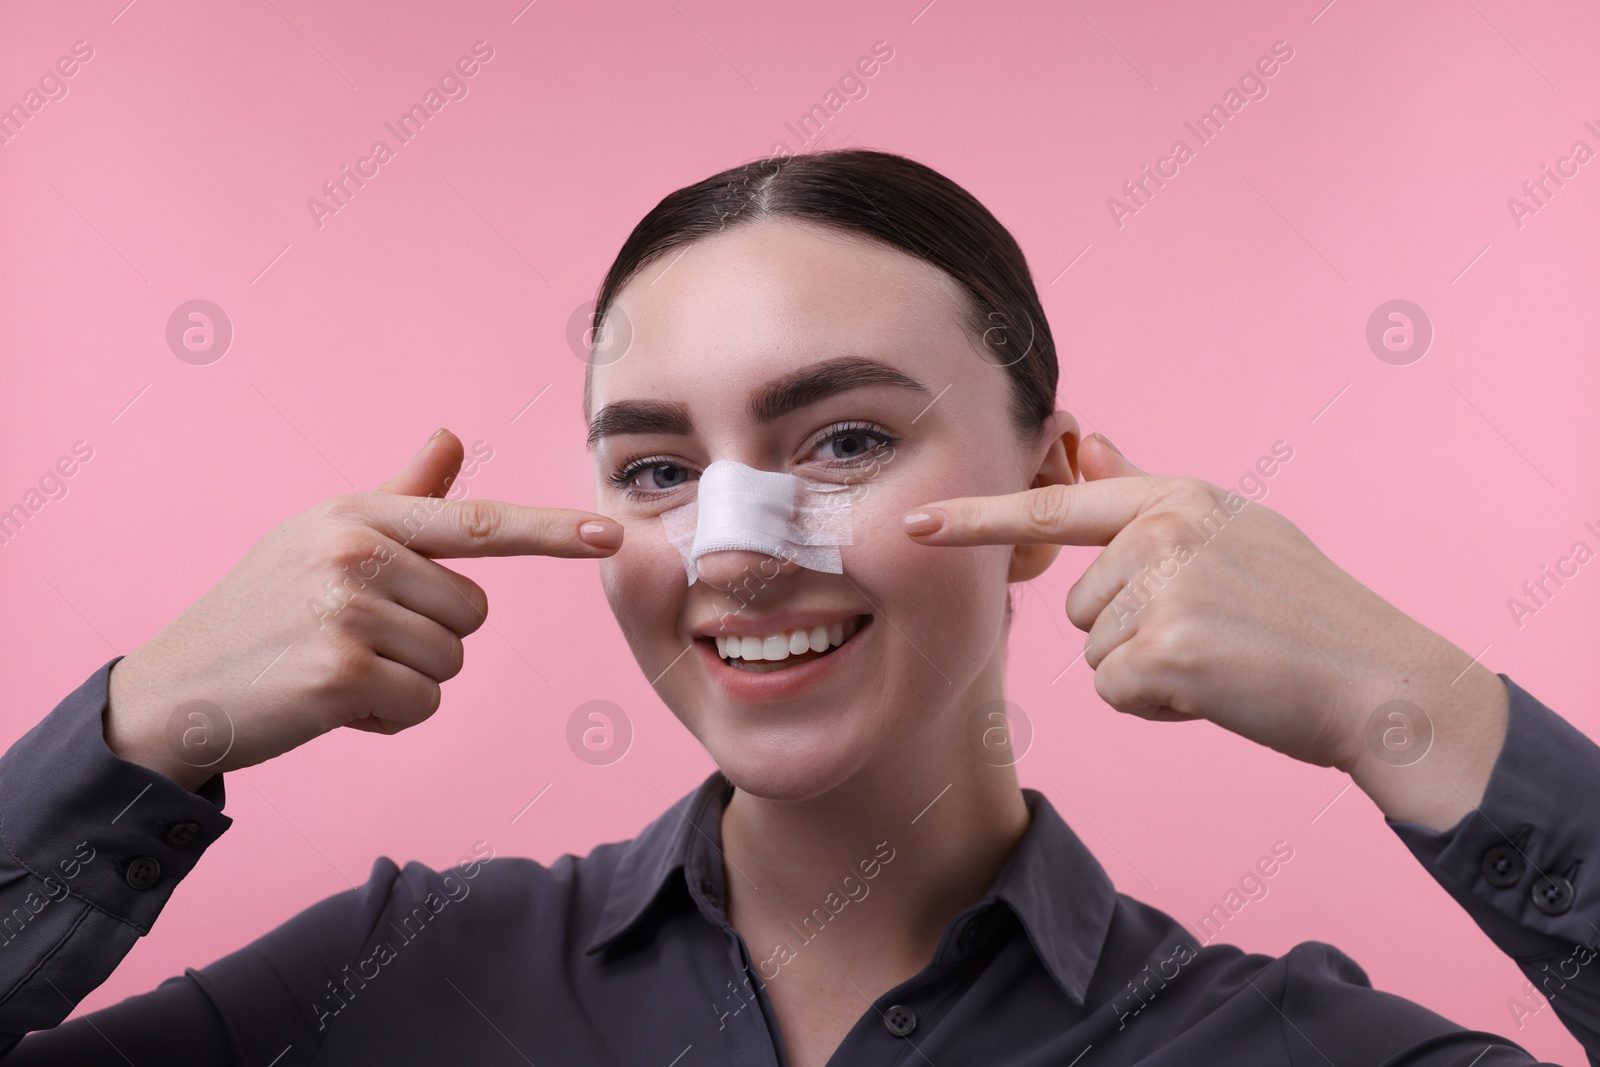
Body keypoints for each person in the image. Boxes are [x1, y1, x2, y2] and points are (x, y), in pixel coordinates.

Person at [0, 149, 1592, 1066]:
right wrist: (139, 730)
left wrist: (1419, 705)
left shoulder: (1283, 1051)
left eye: (843, 441)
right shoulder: (396, 979)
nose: (736, 554)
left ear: (1058, 487)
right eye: (655, 467)